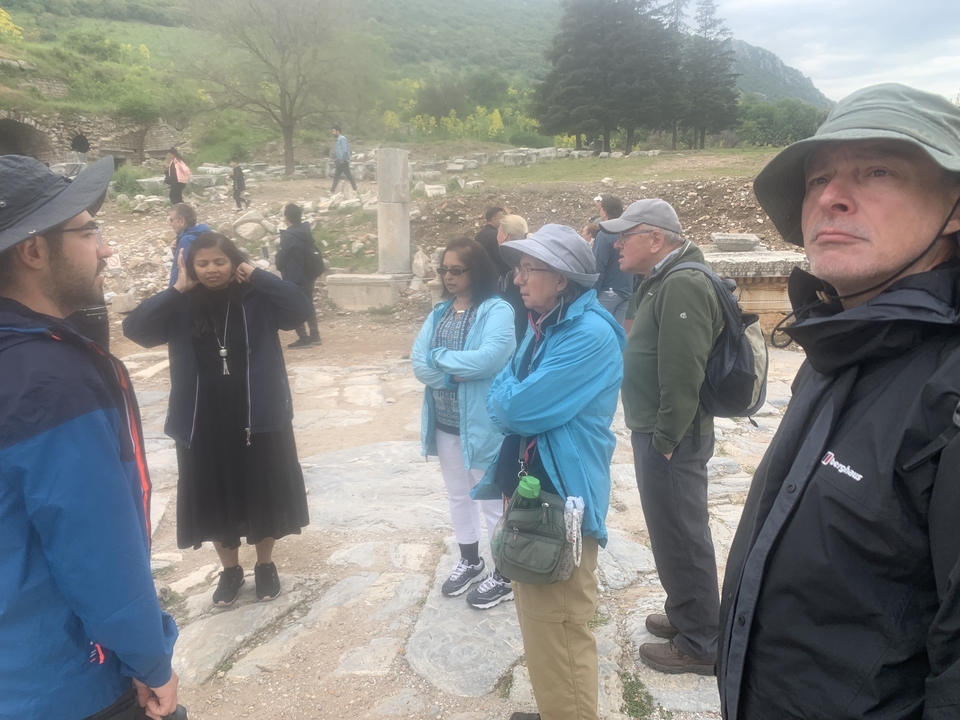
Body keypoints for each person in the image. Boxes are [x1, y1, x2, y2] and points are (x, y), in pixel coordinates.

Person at [717, 83, 960, 719]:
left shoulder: (948, 394)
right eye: (817, 177)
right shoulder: (839, 345)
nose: (831, 196)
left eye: (878, 169)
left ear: (956, 205)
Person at [0, 155, 179, 720]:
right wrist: (150, 659)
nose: (105, 249)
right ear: (33, 250)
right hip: (65, 681)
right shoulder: (47, 379)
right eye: (88, 230)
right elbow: (93, 544)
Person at [475, 224, 625, 720]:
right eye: (519, 267)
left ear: (562, 279)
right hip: (534, 491)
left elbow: (518, 407)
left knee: (559, 625)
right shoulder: (547, 325)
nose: (518, 278)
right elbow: (508, 386)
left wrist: (509, 399)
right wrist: (511, 397)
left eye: (530, 268)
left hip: (564, 498)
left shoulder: (589, 334)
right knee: (539, 620)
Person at [123, 233, 313, 606]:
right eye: (203, 263)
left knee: (263, 488)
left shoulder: (256, 297)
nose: (211, 270)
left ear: (234, 262)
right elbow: (135, 330)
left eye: (219, 261)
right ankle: (230, 570)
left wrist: (258, 275)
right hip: (202, 417)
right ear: (190, 267)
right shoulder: (181, 304)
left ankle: (264, 565)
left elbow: (301, 308)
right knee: (213, 493)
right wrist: (176, 290)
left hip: (258, 412)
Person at [604, 199, 723, 675]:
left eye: (625, 234)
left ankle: (701, 643)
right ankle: (687, 614)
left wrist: (669, 437)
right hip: (657, 429)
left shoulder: (684, 283)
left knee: (683, 533)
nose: (616, 243)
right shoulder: (662, 279)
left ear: (655, 239)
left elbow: (683, 370)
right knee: (669, 530)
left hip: (671, 434)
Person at [412, 237, 517, 609]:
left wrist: (440, 356)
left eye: (457, 269)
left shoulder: (497, 310)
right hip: (445, 422)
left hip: (483, 424)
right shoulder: (439, 311)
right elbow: (417, 363)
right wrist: (448, 375)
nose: (449, 276)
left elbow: (488, 360)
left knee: (491, 500)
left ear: (477, 270)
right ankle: (470, 560)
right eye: (444, 269)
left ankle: (504, 573)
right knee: (458, 495)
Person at [276, 203, 322, 348]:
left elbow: (280, 258)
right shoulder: (305, 231)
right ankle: (315, 335)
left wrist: (279, 265)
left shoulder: (288, 236)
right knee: (308, 304)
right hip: (309, 275)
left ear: (286, 217)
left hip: (294, 278)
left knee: (295, 307)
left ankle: (303, 338)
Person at [592, 195, 633, 326]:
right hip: (626, 290)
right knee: (618, 335)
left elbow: (598, 266)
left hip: (607, 292)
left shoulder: (605, 234)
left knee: (597, 329)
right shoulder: (629, 233)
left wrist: (592, 293)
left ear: (604, 212)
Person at [495, 213, 531, 343]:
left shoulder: (507, 259)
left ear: (504, 234)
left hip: (517, 328)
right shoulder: (529, 256)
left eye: (498, 231)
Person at [167, 203, 211, 287]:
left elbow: (182, 269)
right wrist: (175, 251)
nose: (170, 224)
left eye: (172, 220)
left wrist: (173, 293)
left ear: (182, 221)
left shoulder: (186, 239)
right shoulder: (202, 233)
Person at [475, 206, 506, 273]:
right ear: (494, 219)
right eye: (502, 219)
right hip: (495, 274)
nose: (503, 221)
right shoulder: (496, 235)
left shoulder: (479, 235)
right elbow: (500, 258)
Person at [330, 125, 357, 194]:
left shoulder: (342, 139)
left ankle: (355, 189)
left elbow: (345, 150)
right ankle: (332, 190)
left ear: (338, 131)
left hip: (343, 161)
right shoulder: (338, 140)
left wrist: (342, 159)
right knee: (336, 176)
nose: (333, 133)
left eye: (334, 131)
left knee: (348, 176)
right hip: (339, 161)